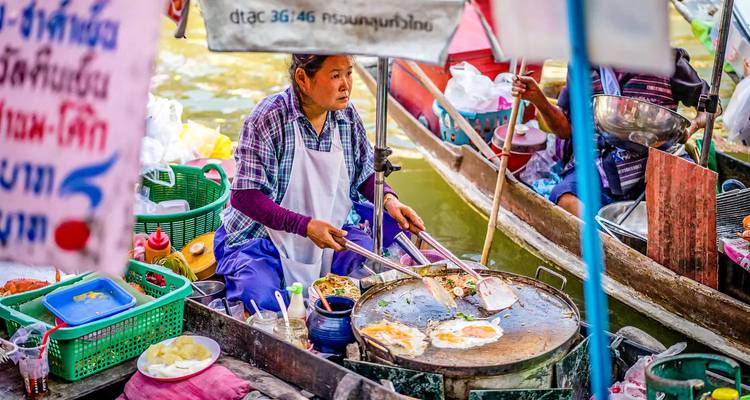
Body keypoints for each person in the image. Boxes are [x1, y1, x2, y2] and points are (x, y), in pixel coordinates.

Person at [214, 54, 425, 312]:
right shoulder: (268, 118)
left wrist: (390, 200)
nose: (346, 85)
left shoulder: (346, 117)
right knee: (264, 303)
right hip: (260, 240)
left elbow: (364, 171)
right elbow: (245, 196)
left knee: (373, 278)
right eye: (335, 76)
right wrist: (305, 226)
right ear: (303, 78)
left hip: (332, 235)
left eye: (349, 73)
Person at [512, 48, 714, 216]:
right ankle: (606, 241)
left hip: (656, 158)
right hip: (599, 162)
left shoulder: (667, 60)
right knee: (566, 199)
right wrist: (538, 100)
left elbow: (711, 107)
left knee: (692, 194)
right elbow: (566, 131)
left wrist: (693, 126)